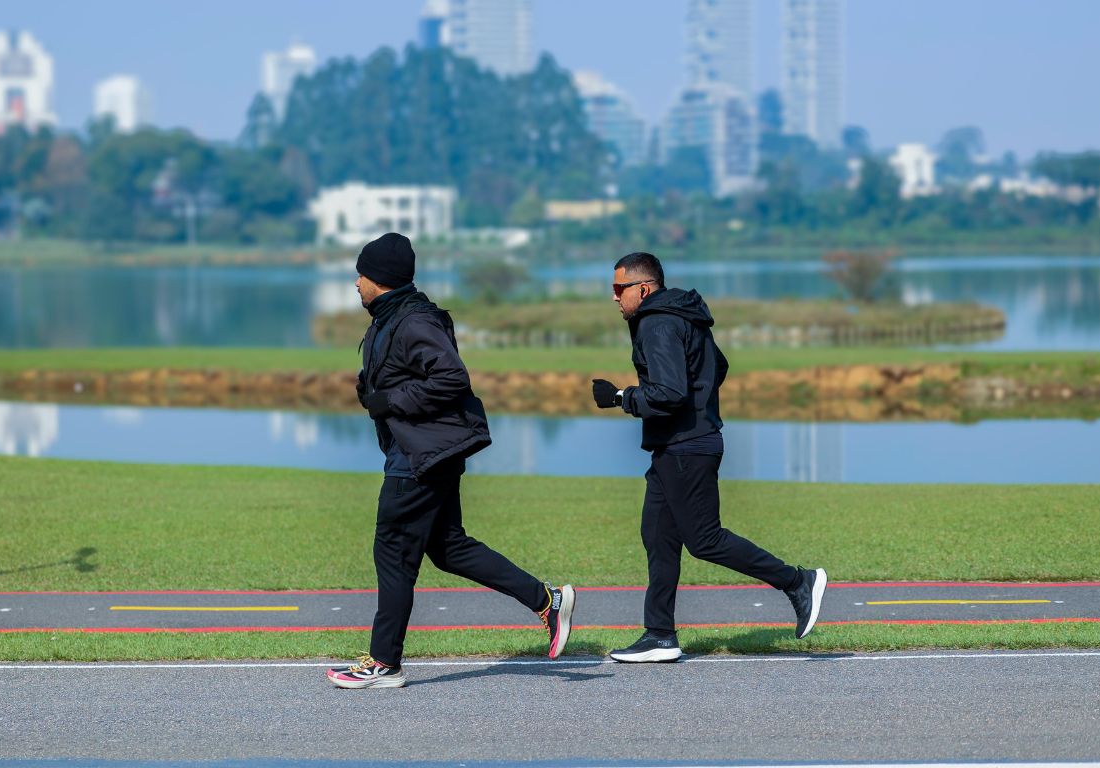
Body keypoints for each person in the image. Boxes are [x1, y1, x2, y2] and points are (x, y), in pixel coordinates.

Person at [327, 232, 576, 689]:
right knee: (447, 547)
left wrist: (390, 401)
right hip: (423, 451)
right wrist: (374, 393)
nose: (355, 284)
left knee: (394, 551)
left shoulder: (412, 320)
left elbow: (451, 378)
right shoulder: (391, 317)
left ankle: (384, 662)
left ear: (378, 279)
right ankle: (547, 600)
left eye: (360, 275)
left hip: (418, 457)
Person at [591, 251, 826, 663]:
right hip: (680, 445)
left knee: (704, 540)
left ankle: (797, 581)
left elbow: (669, 393)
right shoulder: (684, 315)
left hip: (687, 448)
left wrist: (621, 397)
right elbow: (717, 366)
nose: (614, 298)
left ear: (643, 289)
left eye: (618, 289)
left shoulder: (656, 322)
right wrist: (699, 400)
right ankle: (660, 635)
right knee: (658, 536)